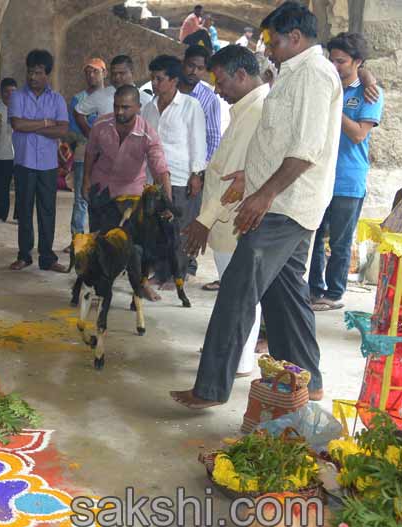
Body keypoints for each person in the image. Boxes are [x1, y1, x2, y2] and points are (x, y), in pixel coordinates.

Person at [171, 2, 341, 409]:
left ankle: (210, 388)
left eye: (273, 41)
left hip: (284, 203)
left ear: (295, 38)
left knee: (237, 289)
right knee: (286, 296)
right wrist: (253, 175)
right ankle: (308, 379)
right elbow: (280, 141)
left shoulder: (314, 76)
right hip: (279, 197)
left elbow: (306, 150)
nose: (268, 49)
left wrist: (264, 194)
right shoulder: (291, 74)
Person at [184, 45, 269, 377]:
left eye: (221, 82)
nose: (218, 91)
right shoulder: (245, 109)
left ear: (242, 75)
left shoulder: (258, 110)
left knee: (241, 294)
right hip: (225, 221)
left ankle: (240, 359)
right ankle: (234, 352)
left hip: (233, 219)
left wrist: (203, 221)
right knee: (235, 291)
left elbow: (236, 183)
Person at [309, 32, 384, 312]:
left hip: (348, 179)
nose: (335, 66)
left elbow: (358, 134)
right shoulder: (328, 85)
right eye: (333, 60)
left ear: (358, 62)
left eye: (341, 61)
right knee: (313, 236)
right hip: (319, 175)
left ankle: (334, 292)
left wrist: (335, 108)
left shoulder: (369, 93)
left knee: (340, 241)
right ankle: (314, 289)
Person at [83, 84, 171, 299]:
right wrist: (85, 180)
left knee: (135, 246)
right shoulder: (101, 125)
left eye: (126, 107)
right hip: (101, 188)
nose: (120, 112)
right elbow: (90, 152)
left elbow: (161, 170)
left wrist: (168, 203)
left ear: (138, 107)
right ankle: (99, 284)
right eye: (116, 106)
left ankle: (140, 285)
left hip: (130, 193)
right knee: (99, 240)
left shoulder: (148, 134)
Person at [141, 54, 207, 283]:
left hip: (181, 178)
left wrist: (197, 175)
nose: (154, 84)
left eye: (159, 79)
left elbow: (198, 142)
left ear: (174, 80)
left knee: (179, 229)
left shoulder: (190, 106)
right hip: (154, 179)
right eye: (152, 78)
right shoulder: (148, 108)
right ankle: (160, 273)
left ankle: (177, 276)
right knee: (157, 229)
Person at [8, 49, 68, 272]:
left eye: (38, 72)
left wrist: (33, 124)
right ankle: (24, 255)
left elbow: (62, 129)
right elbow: (17, 125)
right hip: (23, 163)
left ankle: (47, 258)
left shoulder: (57, 99)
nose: (33, 77)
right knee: (24, 210)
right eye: (30, 72)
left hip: (48, 166)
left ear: (47, 74)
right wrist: (45, 123)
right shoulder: (17, 96)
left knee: (47, 211)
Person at [70, 58, 113, 237]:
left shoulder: (112, 96)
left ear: (105, 73)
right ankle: (78, 238)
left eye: (95, 71)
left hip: (108, 154)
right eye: (88, 72)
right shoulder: (78, 99)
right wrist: (94, 137)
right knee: (82, 196)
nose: (91, 75)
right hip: (84, 149)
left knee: (105, 195)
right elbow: (73, 128)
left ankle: (99, 236)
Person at [178, 45, 221, 161]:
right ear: (183, 63)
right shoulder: (169, 87)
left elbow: (213, 138)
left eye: (200, 68)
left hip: (190, 166)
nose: (194, 71)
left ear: (205, 71)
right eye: (191, 65)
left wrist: (201, 172)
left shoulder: (210, 100)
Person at [0, 77, 17, 223]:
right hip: (2, 153)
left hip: (21, 154)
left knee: (22, 187)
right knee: (2, 187)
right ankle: (0, 215)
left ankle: (20, 215)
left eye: (13, 92)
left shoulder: (21, 106)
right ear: (1, 92)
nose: (10, 94)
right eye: (6, 91)